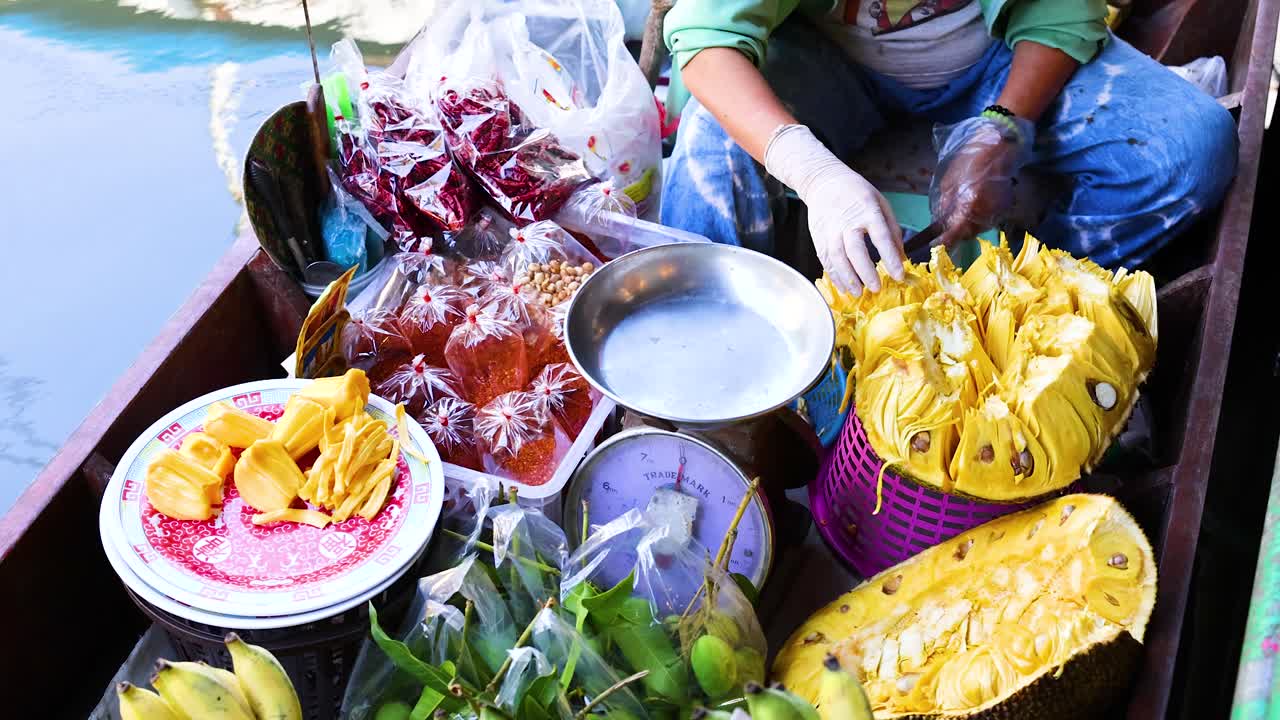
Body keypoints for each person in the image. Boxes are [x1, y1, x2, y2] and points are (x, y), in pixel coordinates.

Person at [658, 0, 1239, 295]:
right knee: (710, 147)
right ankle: (724, 374)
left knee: (1191, 148)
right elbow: (707, 40)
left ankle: (1037, 310)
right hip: (827, 64)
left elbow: (1062, 13)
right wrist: (811, 172)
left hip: (998, 56)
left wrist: (1004, 125)